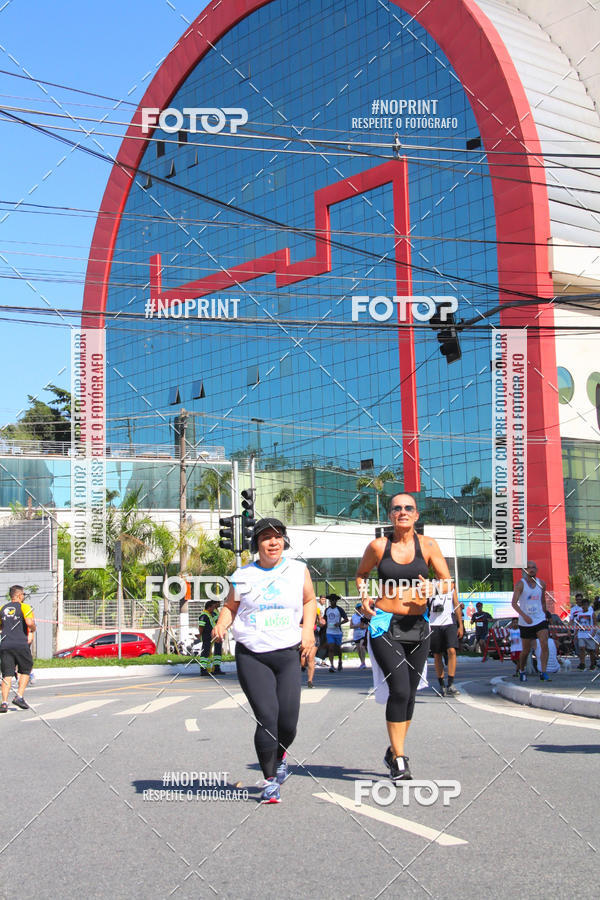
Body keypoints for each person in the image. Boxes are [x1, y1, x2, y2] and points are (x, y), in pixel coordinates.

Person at [212, 518, 316, 804]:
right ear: (256, 544)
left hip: (287, 654)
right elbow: (230, 607)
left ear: (284, 540)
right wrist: (221, 624)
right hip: (252, 654)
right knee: (267, 717)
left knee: (289, 722)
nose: (273, 542)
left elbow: (309, 601)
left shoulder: (298, 570)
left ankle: (280, 755)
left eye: (278, 537)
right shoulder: (243, 574)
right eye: (266, 538)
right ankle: (270, 780)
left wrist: (308, 632)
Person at [357, 493, 453, 783]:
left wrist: (434, 589)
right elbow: (361, 574)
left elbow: (447, 582)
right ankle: (399, 759)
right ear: (390, 515)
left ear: (416, 515)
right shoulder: (378, 546)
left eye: (408, 508)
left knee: (409, 693)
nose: (402, 512)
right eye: (397, 508)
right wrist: (364, 597)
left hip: (419, 626)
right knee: (399, 689)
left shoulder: (429, 545)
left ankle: (393, 749)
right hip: (385, 624)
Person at [512, 561, 550, 682]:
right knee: (526, 650)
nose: (532, 569)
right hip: (526, 621)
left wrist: (545, 613)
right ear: (525, 570)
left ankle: (543, 672)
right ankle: (522, 670)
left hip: (539, 619)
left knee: (544, 643)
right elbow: (513, 603)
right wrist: (524, 616)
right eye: (529, 567)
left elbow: (543, 601)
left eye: (534, 567)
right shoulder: (520, 585)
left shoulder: (541, 584)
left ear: (537, 569)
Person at [0, 585, 36, 712]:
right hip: (20, 644)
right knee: (26, 669)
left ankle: (4, 703)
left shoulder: (2, 608)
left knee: (7, 674)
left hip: (5, 645)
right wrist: (33, 629)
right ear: (20, 595)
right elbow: (29, 623)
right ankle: (19, 696)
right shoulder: (25, 607)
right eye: (23, 595)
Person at [429, 581, 463, 696]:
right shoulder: (429, 584)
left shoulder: (451, 585)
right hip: (434, 623)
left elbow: (456, 604)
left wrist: (460, 625)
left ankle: (451, 684)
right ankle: (441, 684)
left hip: (449, 622)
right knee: (437, 654)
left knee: (452, 650)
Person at [198, 599, 222, 676]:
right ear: (209, 607)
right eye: (212, 607)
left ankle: (209, 669)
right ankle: (203, 669)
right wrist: (200, 634)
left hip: (212, 635)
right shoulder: (204, 615)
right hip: (206, 636)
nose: (213, 608)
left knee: (209, 652)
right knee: (205, 652)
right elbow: (201, 626)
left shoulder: (210, 614)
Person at [324, 594, 348, 672]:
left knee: (338, 648)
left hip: (338, 632)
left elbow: (346, 619)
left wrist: (339, 623)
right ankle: (332, 665)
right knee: (330, 648)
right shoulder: (327, 610)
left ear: (336, 601)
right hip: (329, 632)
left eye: (334, 600)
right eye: (331, 600)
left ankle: (340, 660)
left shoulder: (339, 609)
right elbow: (324, 619)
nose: (332, 601)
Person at [572, 598, 597, 670]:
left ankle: (592, 664)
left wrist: (593, 633)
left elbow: (595, 624)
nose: (585, 606)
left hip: (589, 634)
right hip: (581, 634)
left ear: (588, 605)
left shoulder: (591, 613)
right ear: (582, 606)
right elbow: (577, 625)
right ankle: (582, 663)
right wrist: (575, 634)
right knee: (582, 648)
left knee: (591, 650)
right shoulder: (579, 614)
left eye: (586, 605)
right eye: (583, 605)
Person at [350, 602, 368, 669]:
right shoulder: (353, 616)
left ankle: (363, 662)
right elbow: (351, 626)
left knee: (362, 647)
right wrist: (358, 625)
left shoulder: (364, 616)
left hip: (363, 634)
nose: (361, 610)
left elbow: (366, 625)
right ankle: (362, 662)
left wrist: (363, 626)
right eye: (360, 608)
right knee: (358, 650)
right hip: (356, 635)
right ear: (357, 609)